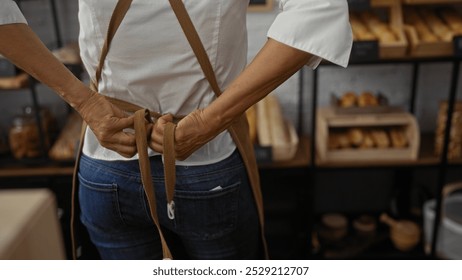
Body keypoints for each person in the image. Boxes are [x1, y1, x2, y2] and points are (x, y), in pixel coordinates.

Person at [0, 0, 352, 260]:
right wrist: (208, 122)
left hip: (106, 164)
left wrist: (85, 102)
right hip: (206, 168)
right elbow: (319, 9)